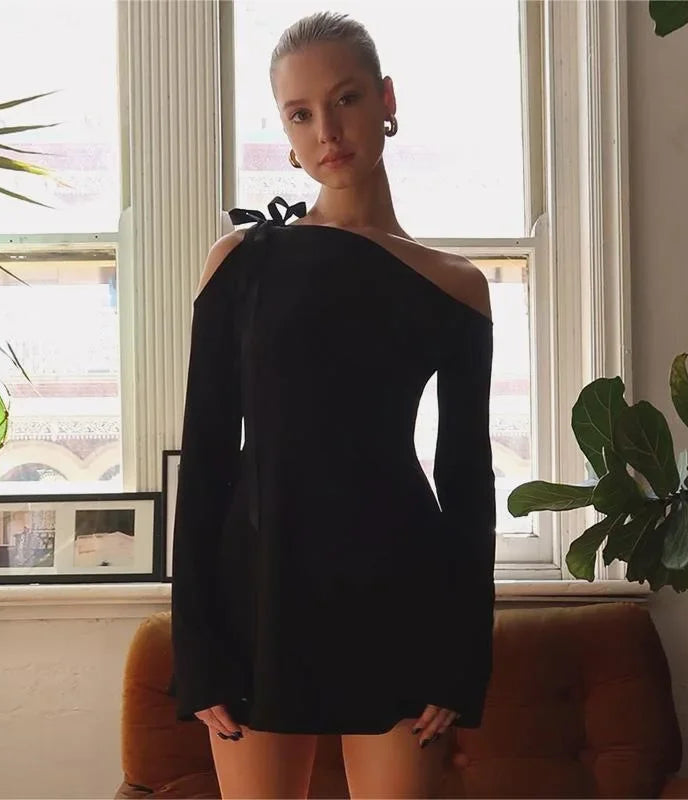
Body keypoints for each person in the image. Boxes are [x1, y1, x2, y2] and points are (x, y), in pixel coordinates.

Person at [170, 10, 496, 799]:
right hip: (257, 599)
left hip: (398, 597)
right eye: (300, 113)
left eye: (345, 99)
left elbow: (466, 482)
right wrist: (198, 653)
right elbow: (206, 458)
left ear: (386, 100)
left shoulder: (455, 285)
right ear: (285, 131)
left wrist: (459, 661)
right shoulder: (241, 262)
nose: (327, 130)